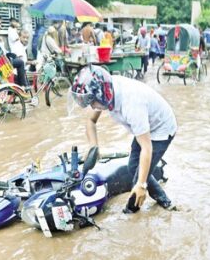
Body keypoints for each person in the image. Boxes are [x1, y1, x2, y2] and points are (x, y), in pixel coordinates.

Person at [71, 66, 177, 211]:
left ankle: (131, 213)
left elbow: (147, 148)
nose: (91, 106)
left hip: (161, 130)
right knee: (133, 167)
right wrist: (93, 146)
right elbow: (91, 121)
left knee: (139, 178)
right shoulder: (103, 90)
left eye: (92, 102)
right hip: (145, 126)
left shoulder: (132, 104)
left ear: (102, 95)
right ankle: (165, 200)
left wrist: (141, 185)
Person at [0, 12, 27, 88]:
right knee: (20, 62)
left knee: (16, 59)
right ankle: (23, 86)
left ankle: (19, 84)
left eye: (0, 23)